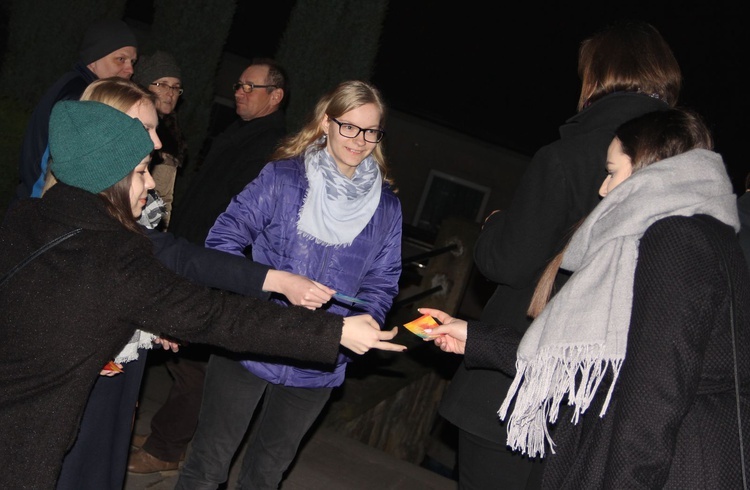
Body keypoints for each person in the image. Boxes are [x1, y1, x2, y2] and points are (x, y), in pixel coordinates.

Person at [0, 99, 406, 490]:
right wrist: (331, 333)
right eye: (143, 170)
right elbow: (219, 315)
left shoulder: (26, 217)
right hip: (25, 443)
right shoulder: (119, 258)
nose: (150, 182)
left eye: (371, 130)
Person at [424, 108, 750, 488]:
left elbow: (654, 397)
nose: (603, 189)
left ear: (648, 168)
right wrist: (477, 338)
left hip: (670, 469)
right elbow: (604, 364)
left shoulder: (676, 240)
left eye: (612, 172)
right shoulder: (698, 234)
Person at [436, 20, 682, 489]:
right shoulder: (679, 167)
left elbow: (507, 260)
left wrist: (493, 227)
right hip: (594, 397)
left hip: (513, 385)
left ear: (599, 76)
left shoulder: (570, 155)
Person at [175, 80, 402, 489]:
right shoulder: (283, 177)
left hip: (319, 358)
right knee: (208, 465)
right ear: (326, 123)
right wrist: (270, 287)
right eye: (349, 126)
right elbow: (222, 242)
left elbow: (383, 281)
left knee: (266, 476)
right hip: (249, 339)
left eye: (371, 131)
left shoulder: (386, 208)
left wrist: (366, 322)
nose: (360, 140)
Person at [127, 58, 293, 474]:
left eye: (250, 86)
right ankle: (166, 433)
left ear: (276, 96)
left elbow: (246, 214)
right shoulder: (241, 132)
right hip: (192, 252)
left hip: (216, 263)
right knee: (179, 351)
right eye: (238, 85)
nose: (239, 91)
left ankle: (167, 448)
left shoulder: (275, 144)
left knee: (195, 358)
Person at [16, 18, 138, 202]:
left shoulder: (77, 86)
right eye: (120, 59)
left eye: (132, 62)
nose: (129, 69)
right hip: (42, 204)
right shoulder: (78, 96)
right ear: (93, 60)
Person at [132, 50, 187, 229]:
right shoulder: (131, 127)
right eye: (162, 84)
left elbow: (166, 196)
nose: (170, 93)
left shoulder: (173, 134)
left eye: (175, 87)